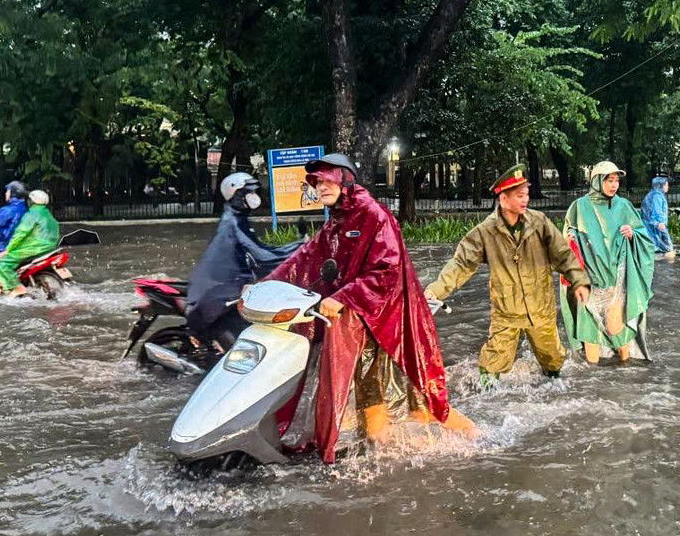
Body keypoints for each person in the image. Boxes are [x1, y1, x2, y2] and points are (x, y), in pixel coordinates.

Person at [258, 153, 476, 463]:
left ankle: (480, 443)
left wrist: (343, 297)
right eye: (316, 182)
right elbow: (304, 259)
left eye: (325, 179)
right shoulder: (337, 222)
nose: (320, 187)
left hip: (394, 323)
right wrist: (265, 286)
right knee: (368, 400)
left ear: (345, 179)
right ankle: (379, 460)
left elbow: (386, 269)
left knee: (425, 400)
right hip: (360, 324)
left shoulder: (373, 215)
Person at [424, 164, 591, 387]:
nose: (525, 200)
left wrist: (579, 280)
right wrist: (435, 290)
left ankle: (556, 389)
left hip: (540, 306)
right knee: (493, 362)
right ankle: (485, 399)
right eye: (520, 195)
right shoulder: (486, 232)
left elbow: (562, 254)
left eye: (527, 195)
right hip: (506, 310)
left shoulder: (539, 222)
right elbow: (461, 264)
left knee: (553, 358)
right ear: (503, 199)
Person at [186, 172, 303, 347]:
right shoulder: (232, 223)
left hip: (232, 287)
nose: (254, 197)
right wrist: (300, 248)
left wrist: (299, 246)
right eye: (249, 193)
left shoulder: (239, 221)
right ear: (237, 195)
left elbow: (261, 251)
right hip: (219, 295)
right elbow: (263, 257)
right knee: (239, 340)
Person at [561, 161, 655, 364]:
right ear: (596, 181)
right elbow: (566, 242)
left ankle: (626, 373)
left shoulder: (624, 206)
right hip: (588, 281)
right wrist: (571, 237)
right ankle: (592, 382)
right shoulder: (579, 207)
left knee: (617, 329)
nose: (614, 185)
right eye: (609, 180)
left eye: (617, 181)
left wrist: (632, 235)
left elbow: (643, 237)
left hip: (616, 282)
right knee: (590, 331)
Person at [0, 190, 60, 298]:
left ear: (31, 201)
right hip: (50, 248)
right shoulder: (49, 215)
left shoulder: (31, 215)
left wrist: (8, 249)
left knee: (1, 262)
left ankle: (16, 288)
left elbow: (20, 234)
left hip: (34, 248)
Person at [641, 176, 676, 258]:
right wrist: (660, 222)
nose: (668, 187)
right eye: (666, 185)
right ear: (661, 185)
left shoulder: (654, 194)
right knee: (662, 244)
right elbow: (657, 211)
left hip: (651, 224)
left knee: (658, 243)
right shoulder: (657, 196)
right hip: (654, 224)